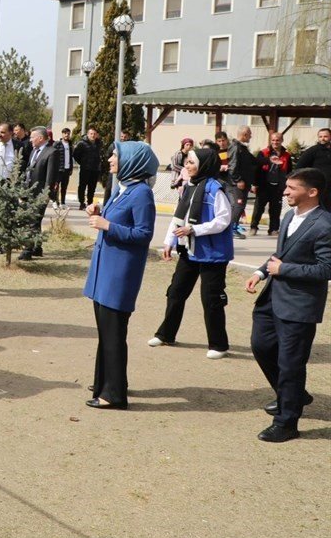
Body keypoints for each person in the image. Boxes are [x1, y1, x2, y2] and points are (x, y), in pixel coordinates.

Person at [245, 168, 329, 442]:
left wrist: (285, 269)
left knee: (291, 363)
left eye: (292, 188)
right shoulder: (289, 216)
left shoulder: (325, 224)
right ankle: (292, 395)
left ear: (312, 192)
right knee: (261, 346)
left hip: (300, 306)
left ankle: (286, 422)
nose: (285, 191)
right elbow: (280, 255)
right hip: (272, 299)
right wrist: (261, 272)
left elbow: (326, 269)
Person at [82, 141, 159, 410]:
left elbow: (143, 234)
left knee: (113, 334)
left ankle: (114, 394)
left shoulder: (141, 194)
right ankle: (105, 382)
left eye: (115, 155)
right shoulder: (121, 187)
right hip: (105, 271)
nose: (111, 158)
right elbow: (115, 220)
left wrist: (107, 225)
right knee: (105, 332)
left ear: (132, 161)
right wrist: (99, 213)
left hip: (119, 275)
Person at [150, 148, 234, 358]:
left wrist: (195, 229)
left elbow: (223, 220)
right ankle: (166, 334)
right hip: (189, 250)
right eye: (186, 162)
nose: (186, 166)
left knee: (211, 299)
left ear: (204, 165)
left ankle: (218, 345)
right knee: (176, 292)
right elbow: (179, 217)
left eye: (191, 163)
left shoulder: (215, 189)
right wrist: (170, 240)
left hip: (212, 254)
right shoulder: (188, 187)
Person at [18, 126, 58, 261]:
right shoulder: (34, 151)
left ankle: (28, 250)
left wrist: (46, 194)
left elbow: (50, 176)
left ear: (40, 138)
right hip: (29, 192)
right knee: (34, 221)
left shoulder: (51, 152)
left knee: (32, 221)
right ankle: (37, 247)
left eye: (32, 137)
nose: (30, 140)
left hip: (40, 193)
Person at [250, 132, 292, 236]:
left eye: (277, 140)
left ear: (282, 140)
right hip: (264, 185)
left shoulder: (287, 155)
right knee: (258, 208)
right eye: (273, 140)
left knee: (275, 209)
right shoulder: (264, 152)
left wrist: (288, 185)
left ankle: (273, 229)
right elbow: (256, 168)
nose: (275, 142)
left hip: (278, 186)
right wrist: (255, 184)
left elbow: (289, 171)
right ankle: (253, 227)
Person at [227, 125, 255, 235]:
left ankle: (234, 226)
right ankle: (231, 229)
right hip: (237, 184)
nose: (251, 136)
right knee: (238, 205)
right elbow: (232, 166)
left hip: (245, 182)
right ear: (244, 135)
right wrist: (238, 180)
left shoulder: (242, 148)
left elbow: (253, 161)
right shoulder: (235, 147)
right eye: (250, 134)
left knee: (240, 206)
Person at [295, 127, 331, 211]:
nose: (323, 139)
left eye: (325, 136)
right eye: (320, 136)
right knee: (318, 209)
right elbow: (299, 167)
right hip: (319, 187)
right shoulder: (312, 151)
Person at [73, 127, 103, 209]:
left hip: (95, 169)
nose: (93, 135)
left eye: (94, 134)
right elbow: (75, 155)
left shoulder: (99, 143)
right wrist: (82, 162)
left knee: (92, 187)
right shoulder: (82, 143)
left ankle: (90, 203)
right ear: (87, 134)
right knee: (82, 186)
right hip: (85, 169)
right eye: (91, 134)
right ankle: (81, 203)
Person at [52, 127, 74, 205]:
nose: (66, 135)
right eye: (65, 133)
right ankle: (55, 201)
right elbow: (53, 156)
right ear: (62, 134)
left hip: (67, 169)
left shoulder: (70, 144)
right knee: (56, 186)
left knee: (64, 187)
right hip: (59, 169)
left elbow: (71, 157)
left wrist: (71, 168)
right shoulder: (57, 144)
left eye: (68, 133)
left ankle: (63, 202)